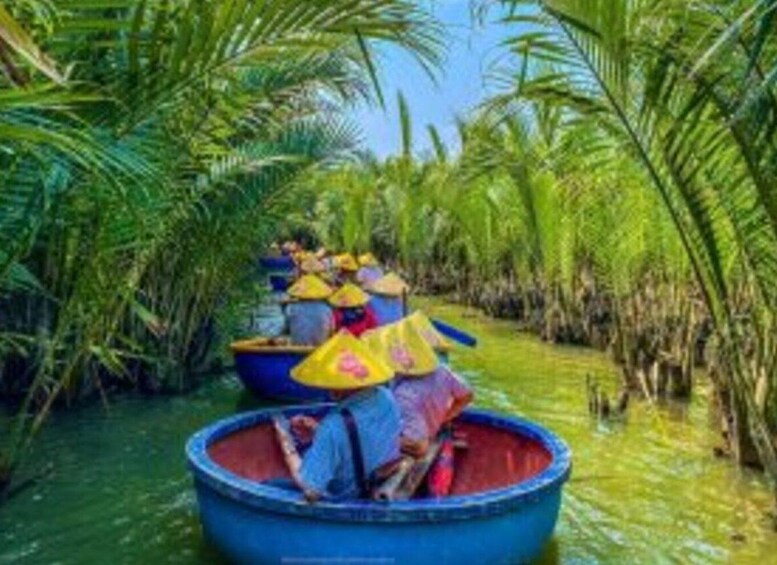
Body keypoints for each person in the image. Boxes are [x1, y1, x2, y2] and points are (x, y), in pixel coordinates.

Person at [277, 330, 401, 502]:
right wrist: (317, 430)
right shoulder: (386, 396)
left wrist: (286, 445)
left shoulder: (333, 426)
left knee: (270, 484)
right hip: (377, 482)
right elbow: (364, 436)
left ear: (334, 387)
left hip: (348, 499)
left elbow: (311, 491)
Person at [363, 319, 473, 457]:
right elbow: (467, 395)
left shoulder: (403, 396)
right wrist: (445, 417)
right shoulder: (442, 370)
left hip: (414, 446)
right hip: (430, 427)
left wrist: (377, 439)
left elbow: (419, 446)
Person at [283, 275, 334, 346]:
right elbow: (331, 332)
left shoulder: (291, 308)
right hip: (321, 349)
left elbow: (286, 330)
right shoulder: (327, 309)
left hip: (297, 349)